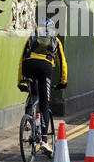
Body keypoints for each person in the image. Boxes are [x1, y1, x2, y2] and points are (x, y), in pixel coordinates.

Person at [17, 18, 68, 154]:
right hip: (45, 67)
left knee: (33, 93)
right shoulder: (55, 40)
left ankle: (28, 117)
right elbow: (62, 62)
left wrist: (20, 81)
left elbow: (22, 59)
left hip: (29, 65)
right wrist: (63, 82)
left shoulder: (32, 37)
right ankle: (44, 141)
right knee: (45, 103)